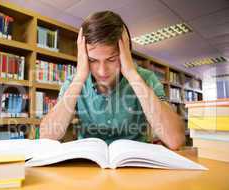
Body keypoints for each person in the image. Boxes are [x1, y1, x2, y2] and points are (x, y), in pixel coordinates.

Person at [39, 11, 185, 150]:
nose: (102, 71)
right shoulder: (74, 82)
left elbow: (175, 140)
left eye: (111, 59)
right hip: (89, 164)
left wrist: (132, 74)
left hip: (135, 165)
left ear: (125, 54)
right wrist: (79, 77)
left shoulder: (146, 78)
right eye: (93, 60)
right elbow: (47, 137)